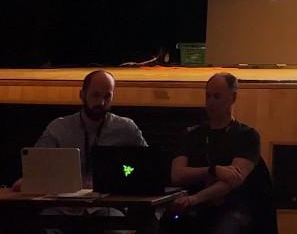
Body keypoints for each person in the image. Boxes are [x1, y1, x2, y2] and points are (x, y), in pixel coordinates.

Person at [167, 73, 277, 234]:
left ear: (233, 98)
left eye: (217, 97)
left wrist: (195, 198)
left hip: (233, 209)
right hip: (193, 208)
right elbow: (177, 174)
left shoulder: (247, 136)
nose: (210, 102)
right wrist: (213, 170)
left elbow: (233, 180)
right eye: (208, 96)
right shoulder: (192, 135)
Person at [15, 69, 147, 188]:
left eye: (107, 96)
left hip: (108, 204)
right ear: (82, 95)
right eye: (95, 95)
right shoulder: (58, 128)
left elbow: (149, 167)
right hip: (62, 205)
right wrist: (27, 181)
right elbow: (35, 168)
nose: (101, 102)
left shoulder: (127, 129)